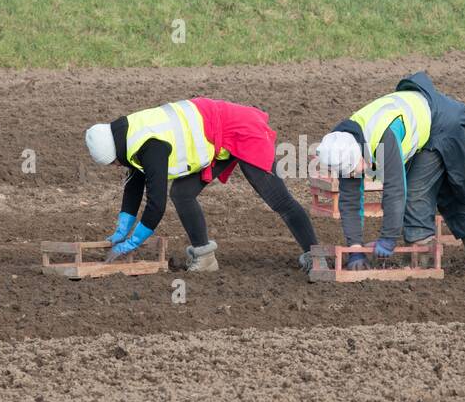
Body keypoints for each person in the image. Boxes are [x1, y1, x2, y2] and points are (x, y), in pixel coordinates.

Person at [85, 98, 318, 272]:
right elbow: (134, 185)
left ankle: (315, 255)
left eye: (113, 163)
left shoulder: (149, 146)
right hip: (212, 137)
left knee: (279, 200)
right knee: (182, 193)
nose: (116, 166)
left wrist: (132, 243)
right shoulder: (125, 137)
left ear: (114, 153)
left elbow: (156, 204)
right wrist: (121, 231)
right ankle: (205, 257)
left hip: (239, 129)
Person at [315, 72, 465, 270]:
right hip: (418, 124)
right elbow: (350, 199)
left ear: (359, 151)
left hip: (440, 123)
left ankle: (427, 262)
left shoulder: (383, 137)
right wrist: (355, 249)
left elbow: (396, 189)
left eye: (360, 166)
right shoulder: (344, 145)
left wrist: (388, 238)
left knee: (418, 193)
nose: (363, 171)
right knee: (434, 190)